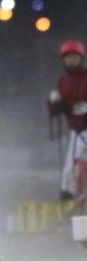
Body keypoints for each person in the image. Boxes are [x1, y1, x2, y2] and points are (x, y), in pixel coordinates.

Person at [48, 39, 87, 201]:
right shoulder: (63, 81)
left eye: (74, 57)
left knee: (79, 161)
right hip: (76, 129)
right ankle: (67, 196)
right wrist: (53, 101)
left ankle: (71, 194)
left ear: (81, 58)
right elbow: (56, 111)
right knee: (70, 165)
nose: (71, 60)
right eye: (68, 57)